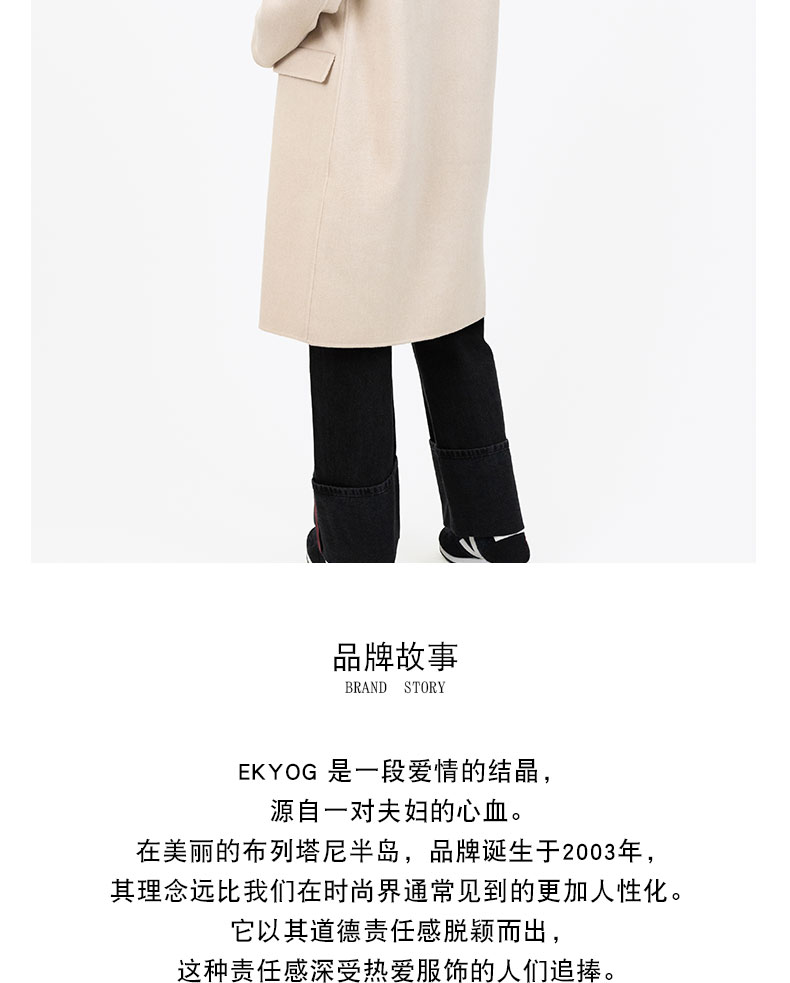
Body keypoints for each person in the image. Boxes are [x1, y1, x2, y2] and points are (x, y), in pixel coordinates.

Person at [251, 0, 529, 563]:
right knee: (448, 313)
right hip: (447, 106)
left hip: (360, 110)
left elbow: (287, 14)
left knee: (347, 325)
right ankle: (491, 526)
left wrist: (266, 38)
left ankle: (358, 547)